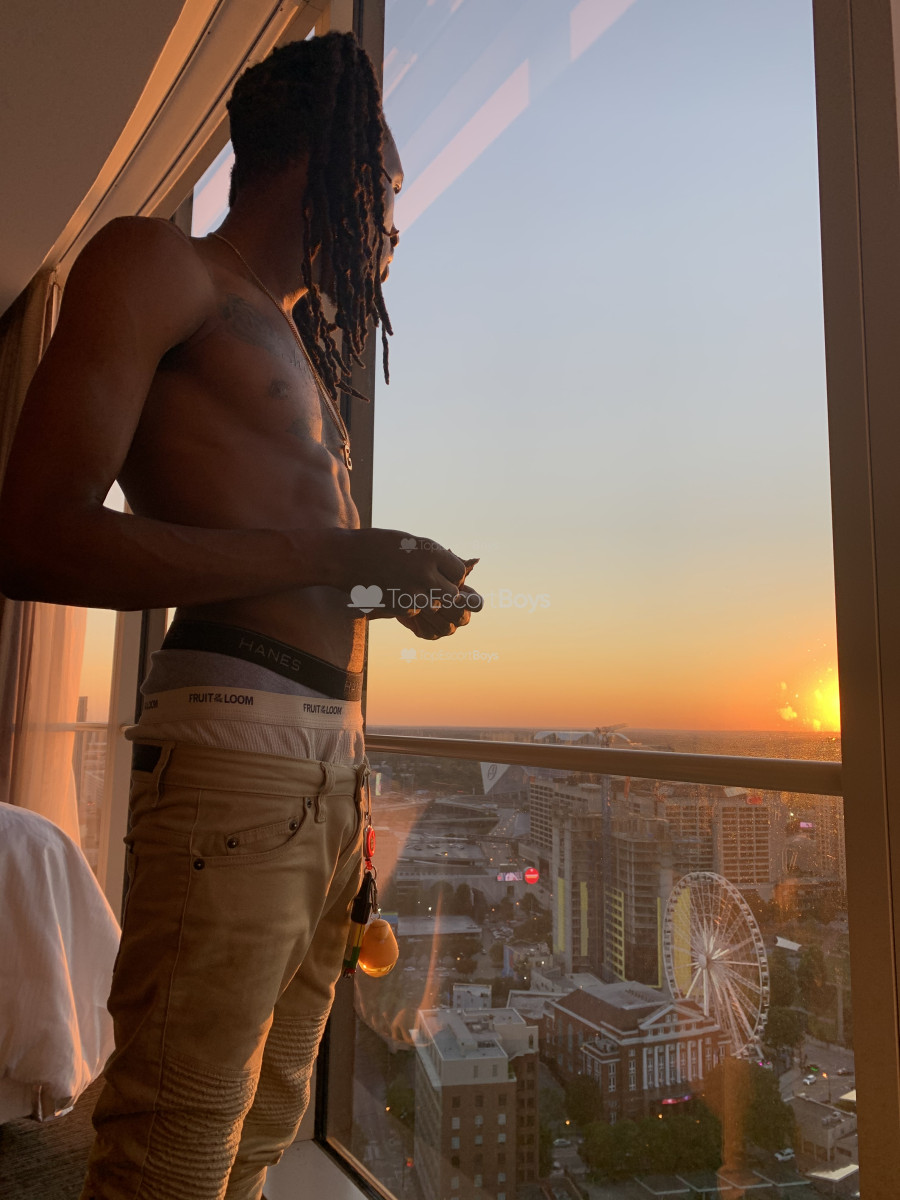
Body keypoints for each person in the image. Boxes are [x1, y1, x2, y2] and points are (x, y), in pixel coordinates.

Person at [0, 31, 481, 1200]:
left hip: (330, 773)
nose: (391, 229)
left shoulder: (293, 344)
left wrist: (386, 592)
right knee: (174, 1146)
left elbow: (289, 566)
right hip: (238, 752)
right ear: (320, 162)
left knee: (262, 1125)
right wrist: (342, 553)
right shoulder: (157, 263)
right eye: (384, 193)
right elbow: (32, 532)